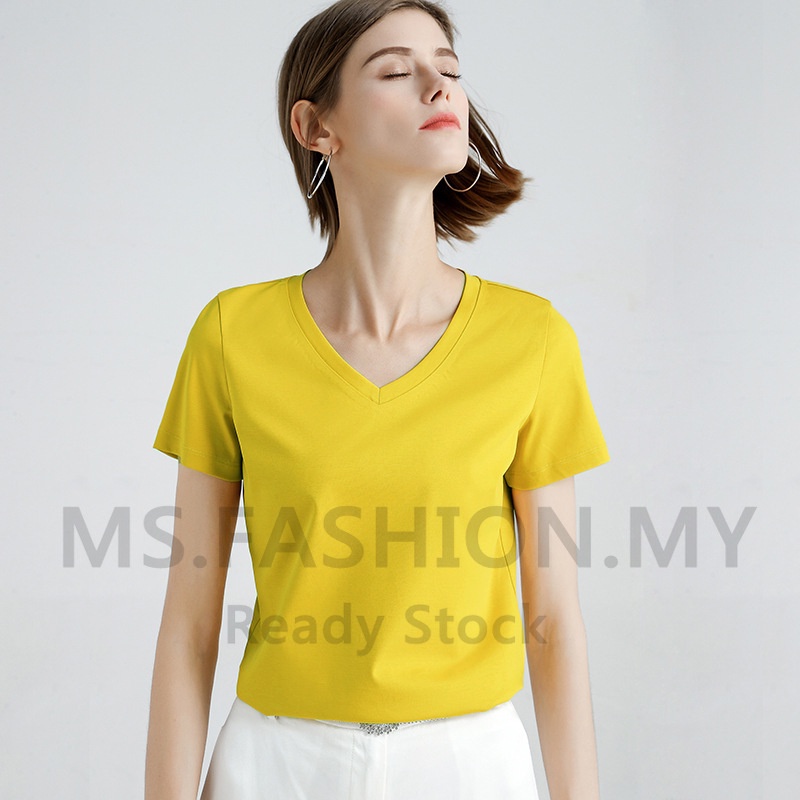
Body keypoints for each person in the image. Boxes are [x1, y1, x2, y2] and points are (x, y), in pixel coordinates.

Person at [144, 1, 610, 798]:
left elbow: (555, 622)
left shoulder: (532, 339)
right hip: (274, 767)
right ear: (316, 127)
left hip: (471, 767)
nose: (439, 85)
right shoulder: (232, 334)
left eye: (449, 69)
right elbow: (189, 625)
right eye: (396, 71)